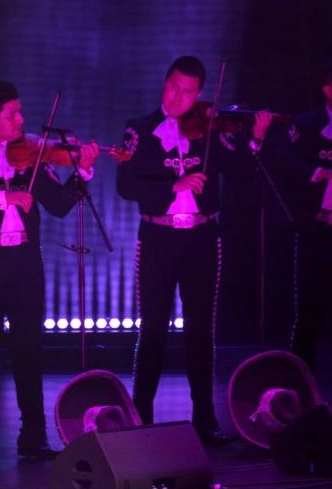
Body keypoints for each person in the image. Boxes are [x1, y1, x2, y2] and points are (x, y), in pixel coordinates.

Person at [0, 80, 99, 461]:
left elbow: (58, 204)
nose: (20, 120)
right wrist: (1, 197)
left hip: (24, 264)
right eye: (12, 114)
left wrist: (83, 173)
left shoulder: (31, 155)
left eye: (20, 112)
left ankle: (33, 437)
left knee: (29, 351)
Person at [117, 56, 273, 443]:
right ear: (165, 82)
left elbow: (240, 177)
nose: (176, 96)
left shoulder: (208, 130)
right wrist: (174, 185)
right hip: (158, 237)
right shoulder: (140, 130)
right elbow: (126, 185)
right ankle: (142, 414)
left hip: (202, 238)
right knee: (152, 328)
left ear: (199, 94)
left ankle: (204, 418)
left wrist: (254, 140)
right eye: (172, 86)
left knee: (201, 330)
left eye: (186, 92)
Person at [281, 64, 332, 370]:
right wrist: (314, 171)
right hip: (318, 226)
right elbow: (283, 157)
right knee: (309, 308)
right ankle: (300, 378)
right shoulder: (309, 124)